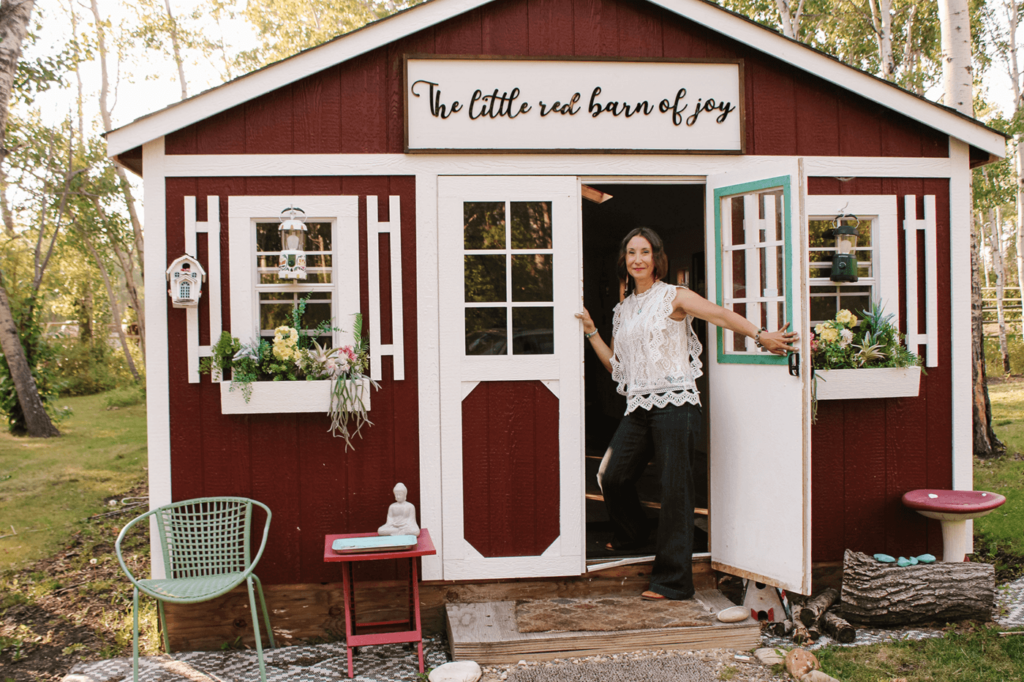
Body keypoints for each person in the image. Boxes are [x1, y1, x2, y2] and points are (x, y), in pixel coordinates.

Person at [575, 227, 799, 600]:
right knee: (610, 476)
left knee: (675, 491)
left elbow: (721, 316)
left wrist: (761, 336)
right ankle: (632, 536)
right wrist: (592, 331)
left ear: (657, 257)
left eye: (644, 252)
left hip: (676, 404)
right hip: (640, 406)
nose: (638, 259)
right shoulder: (624, 309)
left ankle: (673, 581)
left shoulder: (674, 297)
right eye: (631, 253)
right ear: (624, 260)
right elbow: (617, 368)